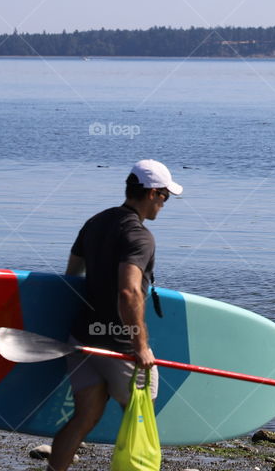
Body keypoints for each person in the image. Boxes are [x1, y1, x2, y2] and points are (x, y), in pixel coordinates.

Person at [47, 159, 183, 471]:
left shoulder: (96, 222)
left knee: (84, 418)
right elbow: (129, 292)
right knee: (140, 422)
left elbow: (72, 275)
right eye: (165, 197)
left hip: (82, 340)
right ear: (151, 193)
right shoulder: (140, 236)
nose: (164, 204)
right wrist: (140, 346)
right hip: (120, 348)